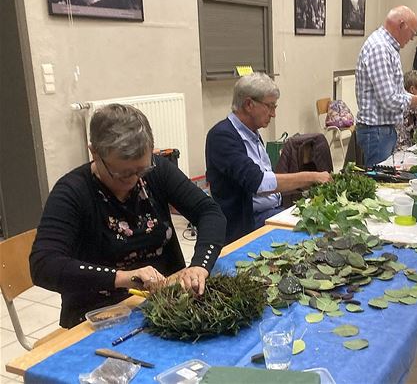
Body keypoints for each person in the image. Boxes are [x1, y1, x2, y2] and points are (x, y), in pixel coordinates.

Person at [30, 104, 226, 328]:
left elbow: (209, 212)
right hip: (100, 315)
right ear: (94, 152)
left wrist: (200, 265)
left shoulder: (158, 171)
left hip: (167, 303)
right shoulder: (72, 192)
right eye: (123, 174)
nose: (134, 180)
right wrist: (123, 277)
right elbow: (43, 265)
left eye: (141, 170)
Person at [206, 72, 332, 244]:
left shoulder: (252, 132)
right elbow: (258, 182)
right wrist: (311, 177)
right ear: (249, 104)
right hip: (245, 224)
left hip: (270, 211)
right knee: (316, 237)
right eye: (270, 106)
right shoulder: (222, 137)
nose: (273, 114)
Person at [355, 5, 417, 167]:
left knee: (386, 184)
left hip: (383, 131)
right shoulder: (379, 48)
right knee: (380, 187)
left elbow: (397, 92)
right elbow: (388, 99)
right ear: (402, 25)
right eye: (412, 33)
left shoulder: (388, 48)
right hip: (377, 132)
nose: (412, 39)